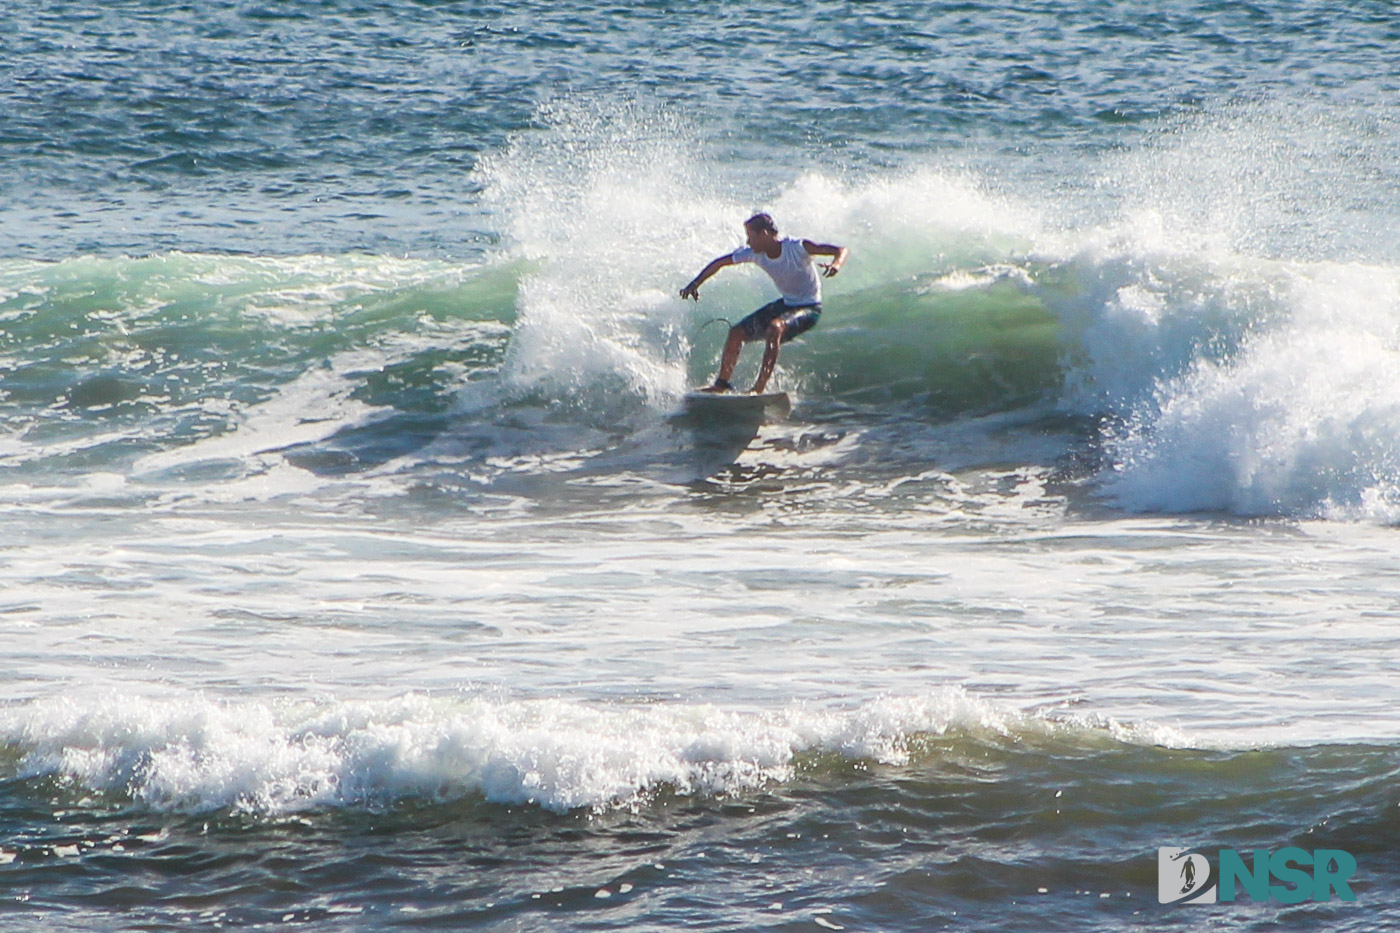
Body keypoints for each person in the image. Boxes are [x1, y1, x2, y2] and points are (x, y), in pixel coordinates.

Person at [679, 213, 848, 394]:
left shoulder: (796, 247)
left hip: (810, 307)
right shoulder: (755, 254)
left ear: (765, 234)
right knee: (736, 333)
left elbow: (840, 250)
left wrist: (836, 264)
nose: (748, 242)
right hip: (787, 303)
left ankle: (758, 389)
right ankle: (721, 385)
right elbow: (720, 262)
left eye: (751, 237)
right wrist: (695, 284)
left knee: (775, 328)